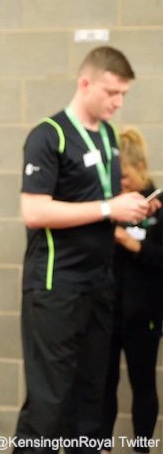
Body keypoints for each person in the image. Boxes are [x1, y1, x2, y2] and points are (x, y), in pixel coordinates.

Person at [14, 46, 157, 454]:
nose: (118, 102)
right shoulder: (50, 134)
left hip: (99, 285)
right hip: (56, 286)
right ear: (86, 83)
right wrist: (110, 207)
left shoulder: (110, 137)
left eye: (124, 95)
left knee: (92, 401)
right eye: (112, 92)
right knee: (50, 403)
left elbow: (99, 208)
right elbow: (34, 211)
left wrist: (130, 210)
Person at [99, 127, 162, 454]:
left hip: (144, 313)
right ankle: (102, 446)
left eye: (124, 176)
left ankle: (141, 447)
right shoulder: (110, 205)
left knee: (143, 384)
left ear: (138, 169)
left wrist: (131, 243)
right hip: (109, 311)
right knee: (104, 385)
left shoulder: (158, 205)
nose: (120, 184)